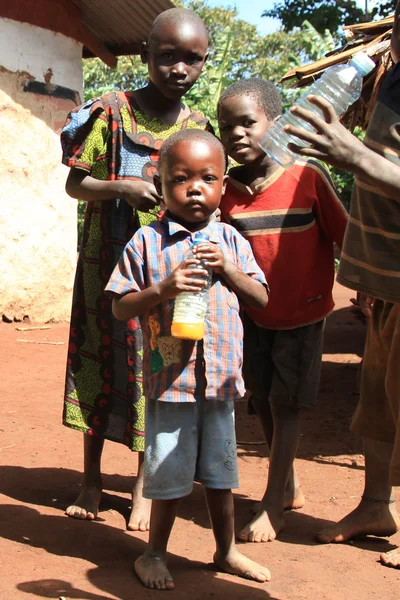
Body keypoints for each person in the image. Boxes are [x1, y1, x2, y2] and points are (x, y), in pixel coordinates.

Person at [61, 7, 212, 530]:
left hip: (167, 277)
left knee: (159, 370)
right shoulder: (110, 111)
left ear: (203, 64)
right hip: (107, 265)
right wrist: (119, 187)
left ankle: (145, 487)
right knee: (101, 361)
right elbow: (75, 183)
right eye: (167, 56)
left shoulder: (197, 129)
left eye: (192, 60)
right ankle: (92, 478)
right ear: (147, 55)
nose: (178, 69)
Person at [106, 129, 271, 589]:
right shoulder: (145, 242)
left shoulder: (232, 242)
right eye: (180, 179)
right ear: (159, 185)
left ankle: (226, 551)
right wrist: (164, 288)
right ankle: (153, 554)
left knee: (221, 474)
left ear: (223, 186)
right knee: (169, 475)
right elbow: (120, 305)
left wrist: (229, 268)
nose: (195, 188)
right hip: (170, 383)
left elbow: (259, 298)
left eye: (208, 178)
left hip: (218, 383)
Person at [283, 0, 400, 570]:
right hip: (389, 282)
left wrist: (353, 155)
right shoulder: (392, 78)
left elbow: (375, 167)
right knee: (377, 406)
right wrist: (368, 275)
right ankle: (376, 505)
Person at [217, 78, 348, 543]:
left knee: (287, 405)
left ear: (274, 122)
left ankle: (273, 506)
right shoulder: (226, 194)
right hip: (253, 316)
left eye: (247, 122)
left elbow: (344, 235)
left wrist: (368, 288)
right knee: (264, 400)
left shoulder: (306, 177)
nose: (236, 134)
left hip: (303, 313)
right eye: (226, 125)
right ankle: (286, 482)